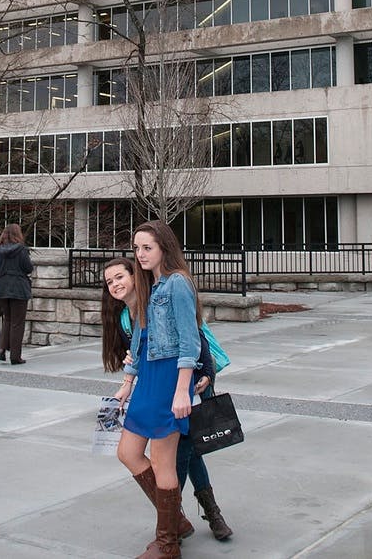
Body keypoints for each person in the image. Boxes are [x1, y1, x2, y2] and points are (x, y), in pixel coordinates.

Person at [102, 257, 234, 543]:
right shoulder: (126, 316)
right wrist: (128, 379)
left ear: (134, 276)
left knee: (182, 454)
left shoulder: (159, 298)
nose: (115, 285)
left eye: (119, 277)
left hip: (192, 384)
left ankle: (186, 521)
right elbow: (142, 353)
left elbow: (195, 336)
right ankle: (181, 519)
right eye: (109, 281)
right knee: (183, 453)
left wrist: (208, 374)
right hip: (163, 386)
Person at [110, 222, 202, 559]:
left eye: (147, 247)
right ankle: (176, 522)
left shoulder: (178, 283)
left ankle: (167, 545)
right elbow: (140, 338)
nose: (140, 254)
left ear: (164, 246)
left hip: (169, 379)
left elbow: (189, 341)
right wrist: (126, 384)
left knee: (164, 463)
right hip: (148, 377)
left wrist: (182, 391)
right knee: (128, 452)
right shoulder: (152, 286)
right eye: (136, 248)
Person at [0, 223, 34, 364]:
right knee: (17, 323)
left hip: (2, 288)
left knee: (7, 319)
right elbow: (28, 268)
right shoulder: (21, 250)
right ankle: (15, 356)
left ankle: (1, 349)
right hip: (18, 289)